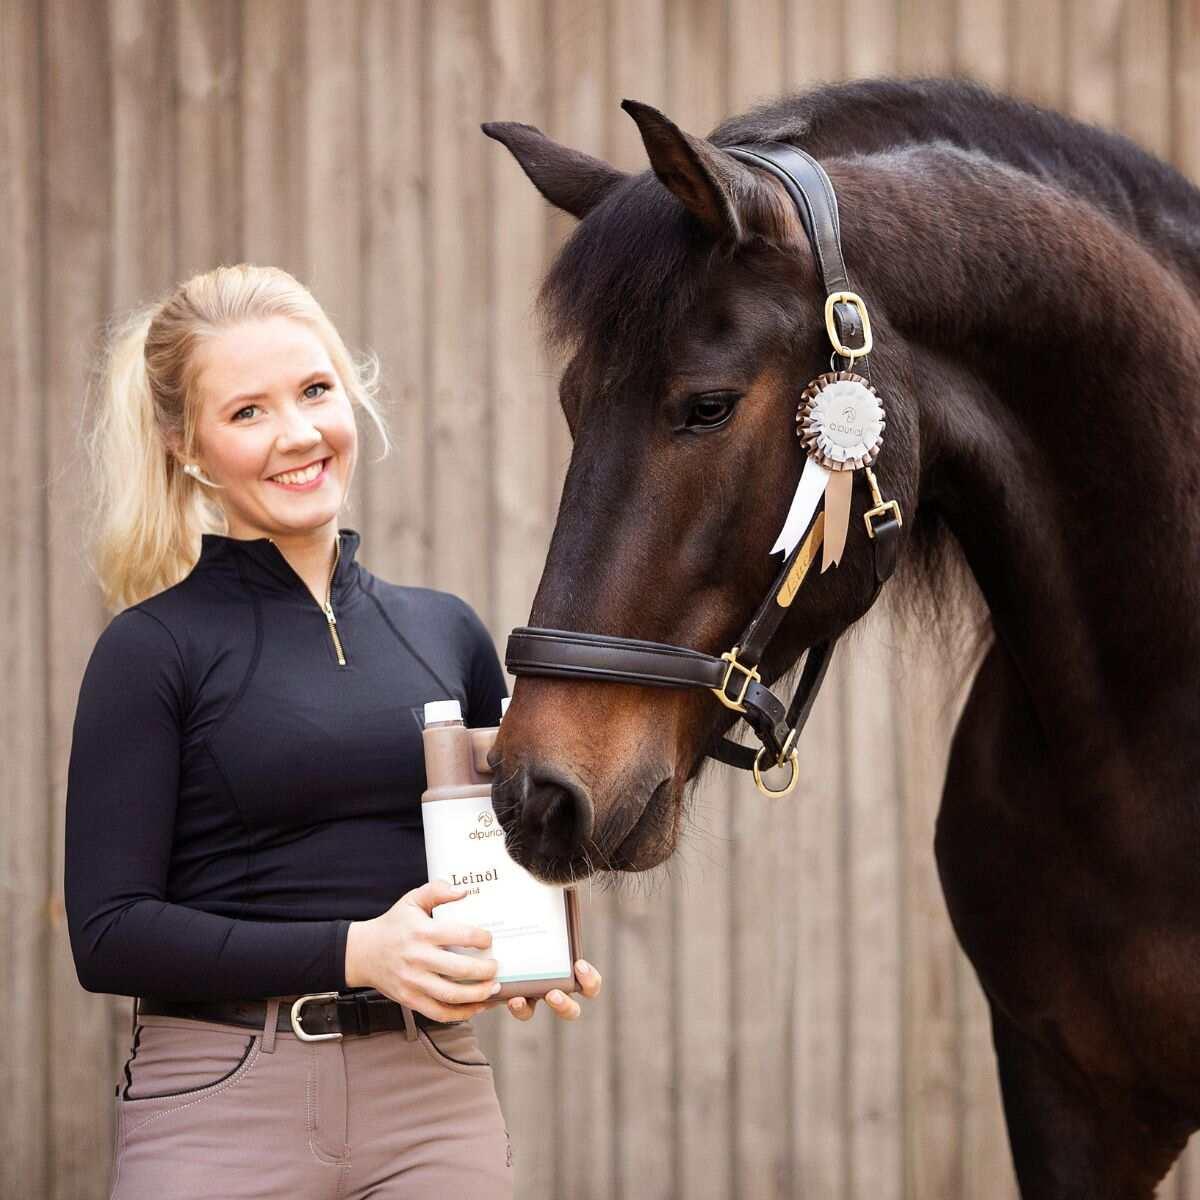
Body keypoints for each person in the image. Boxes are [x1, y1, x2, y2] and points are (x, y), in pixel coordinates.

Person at [64, 262, 602, 1199]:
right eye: (248, 412)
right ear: (184, 446)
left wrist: (522, 949)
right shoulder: (149, 651)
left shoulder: (447, 631)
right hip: (220, 1101)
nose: (299, 434)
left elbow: (484, 856)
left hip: (431, 1100)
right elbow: (108, 935)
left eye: (315, 391)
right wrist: (360, 950)